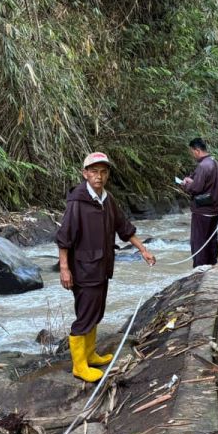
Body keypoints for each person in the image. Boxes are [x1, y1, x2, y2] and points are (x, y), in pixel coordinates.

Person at [56, 152, 156, 382]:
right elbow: (64, 237)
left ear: (107, 175)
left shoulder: (106, 199)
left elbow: (125, 228)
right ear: (85, 174)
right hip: (83, 269)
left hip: (101, 267)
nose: (98, 176)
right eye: (93, 171)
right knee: (85, 315)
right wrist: (64, 268)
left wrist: (143, 250)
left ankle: (90, 355)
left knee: (96, 313)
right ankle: (79, 366)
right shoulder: (77, 202)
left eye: (103, 172)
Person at [181, 137, 218, 267]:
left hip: (202, 210)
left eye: (192, 152)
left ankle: (199, 269)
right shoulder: (215, 162)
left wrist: (185, 185)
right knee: (211, 241)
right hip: (214, 209)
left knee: (199, 242)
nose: (192, 155)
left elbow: (196, 188)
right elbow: (207, 184)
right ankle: (212, 265)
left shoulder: (203, 166)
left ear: (197, 150)